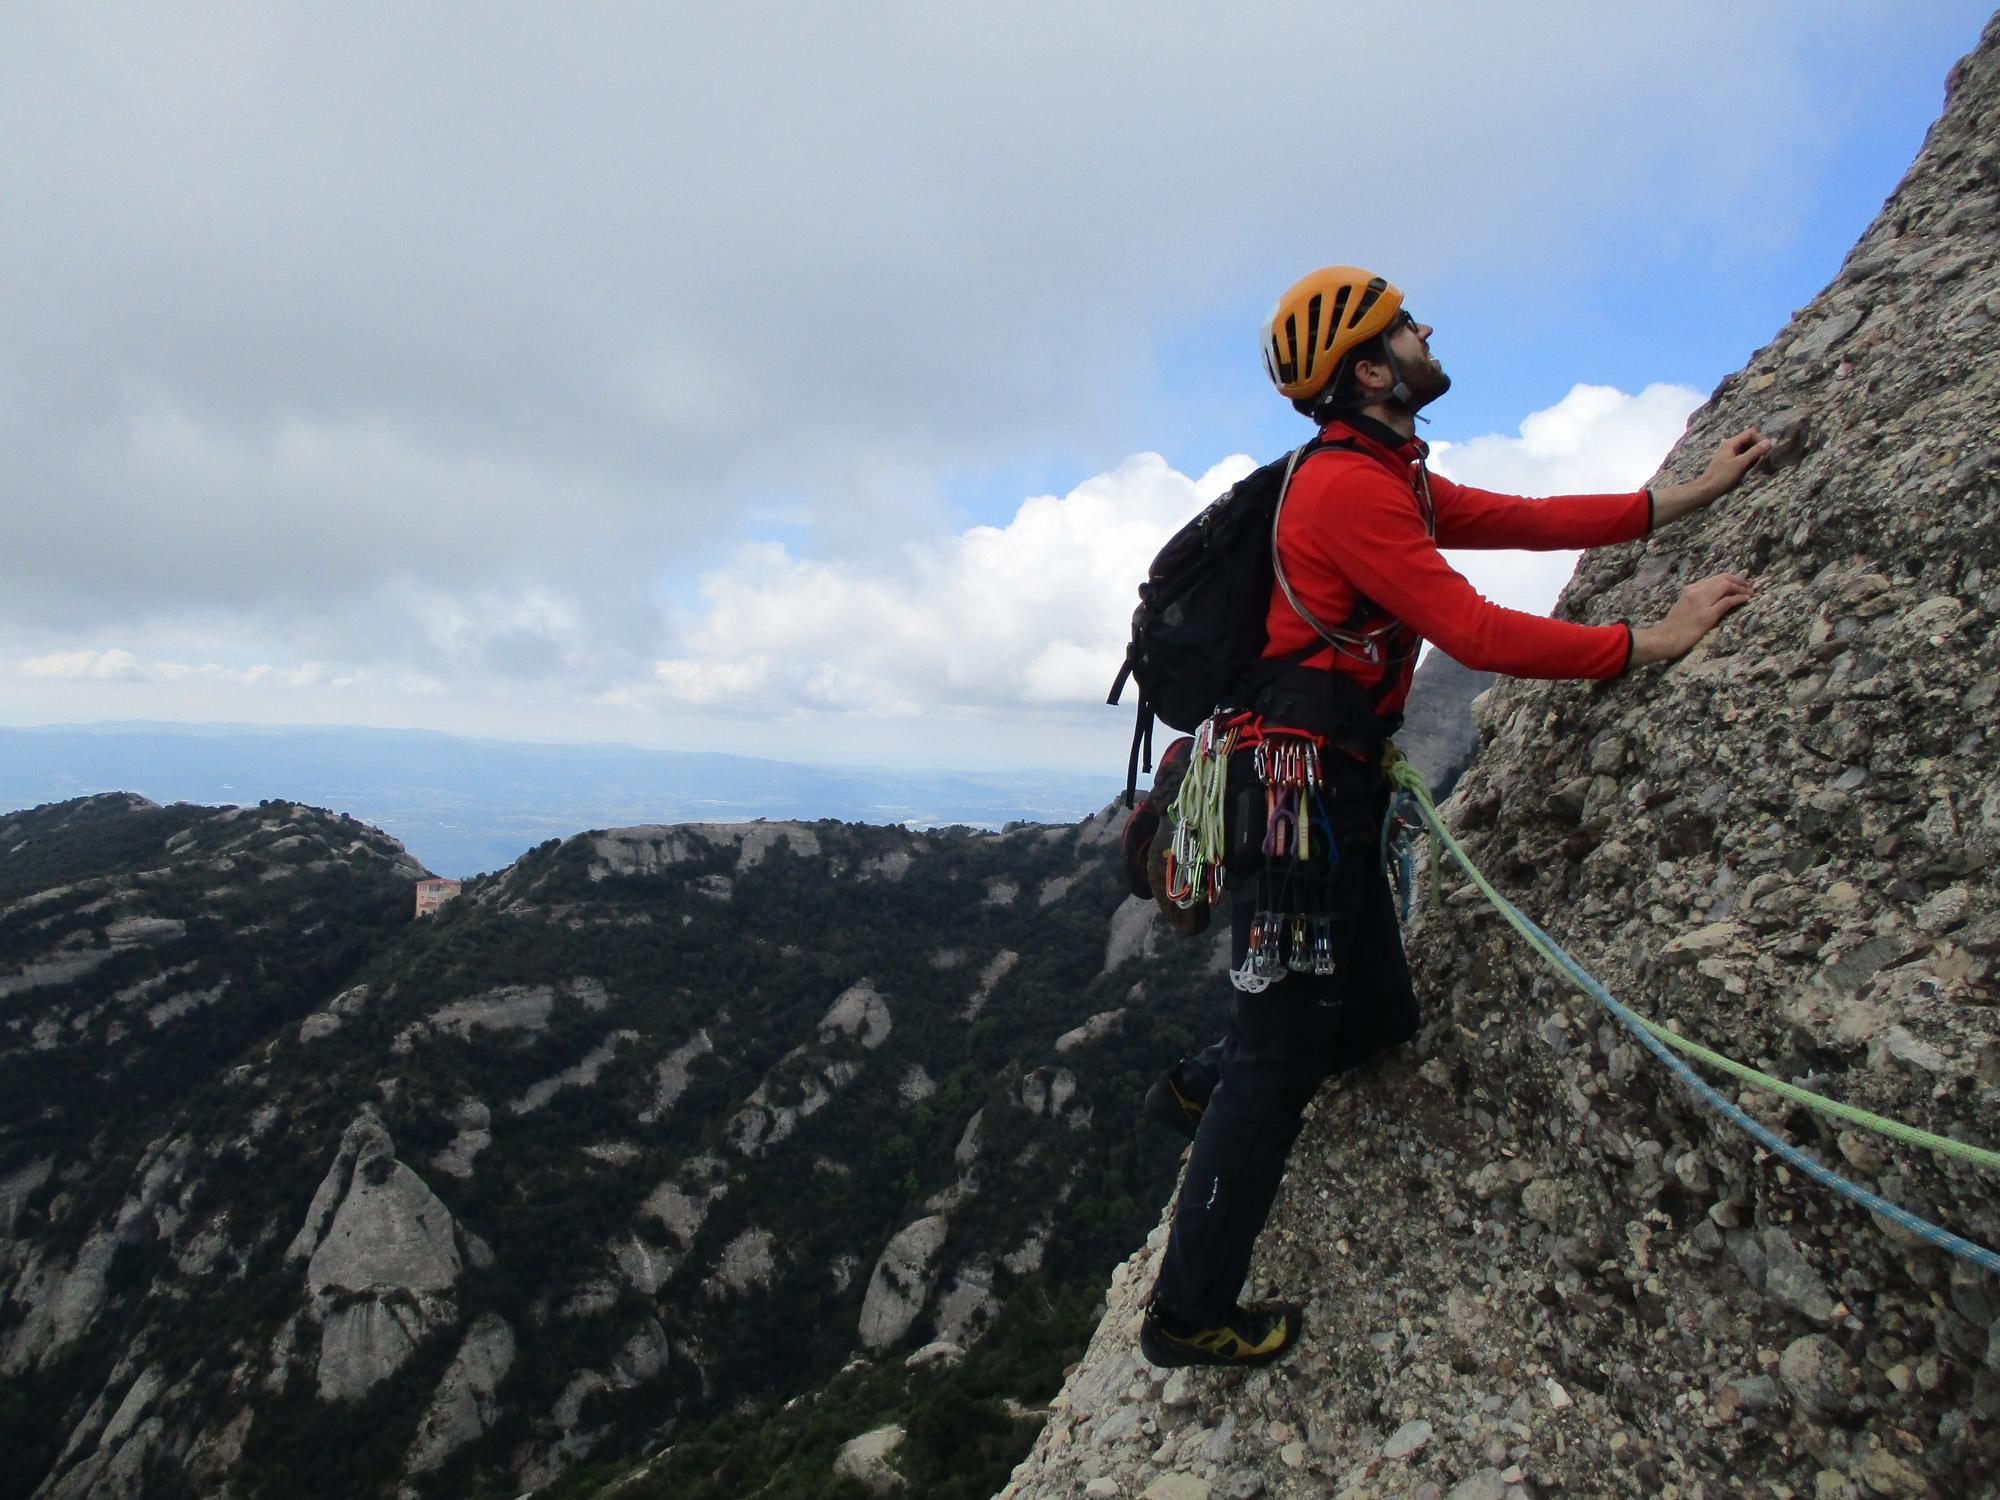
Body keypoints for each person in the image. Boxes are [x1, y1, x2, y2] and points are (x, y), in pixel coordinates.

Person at [1138, 265, 1771, 1368]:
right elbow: (1474, 632)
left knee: (1377, 1019)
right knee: (1281, 1065)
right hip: (1294, 806)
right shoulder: (1347, 491)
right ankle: (1185, 1315)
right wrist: (1648, 641)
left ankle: (1205, 1079)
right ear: (1371, 370)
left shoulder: (1391, 474)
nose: (1427, 329)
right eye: (1403, 326)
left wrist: (1691, 495)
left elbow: (1524, 520)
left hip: (1328, 793)